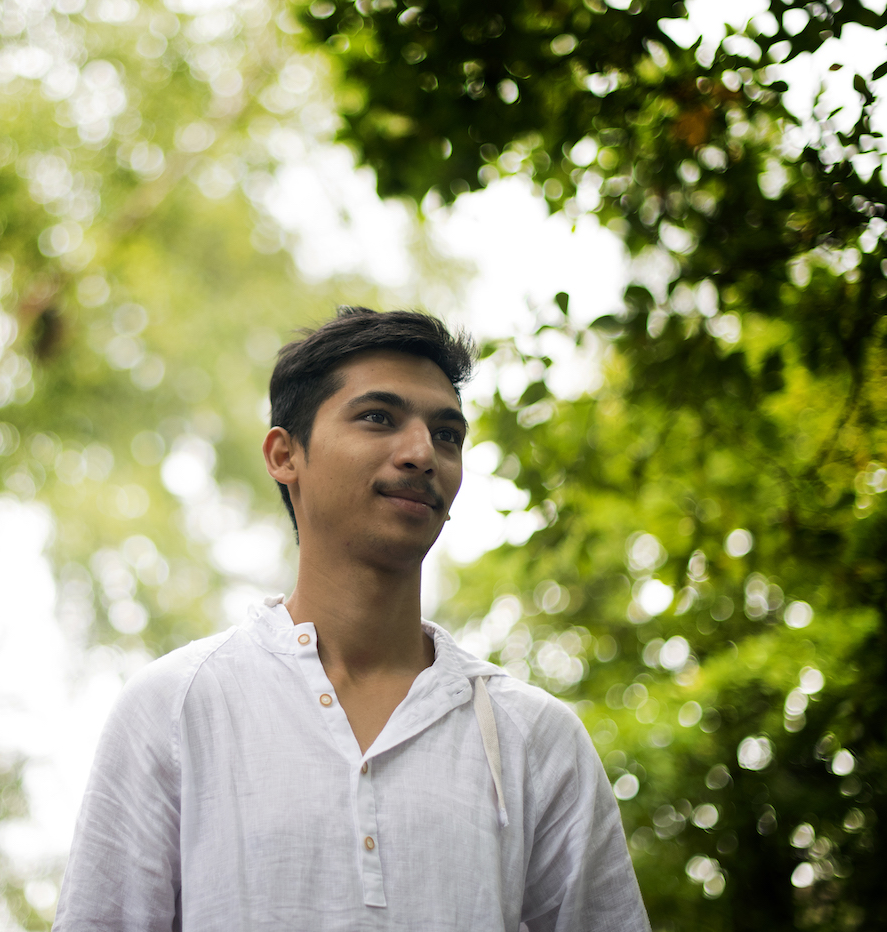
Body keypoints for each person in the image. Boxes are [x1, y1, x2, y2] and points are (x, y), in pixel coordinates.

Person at [54, 307, 650, 931]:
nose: (422, 453)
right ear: (285, 455)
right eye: (378, 418)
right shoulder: (177, 708)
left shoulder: (534, 737)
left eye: (447, 434)